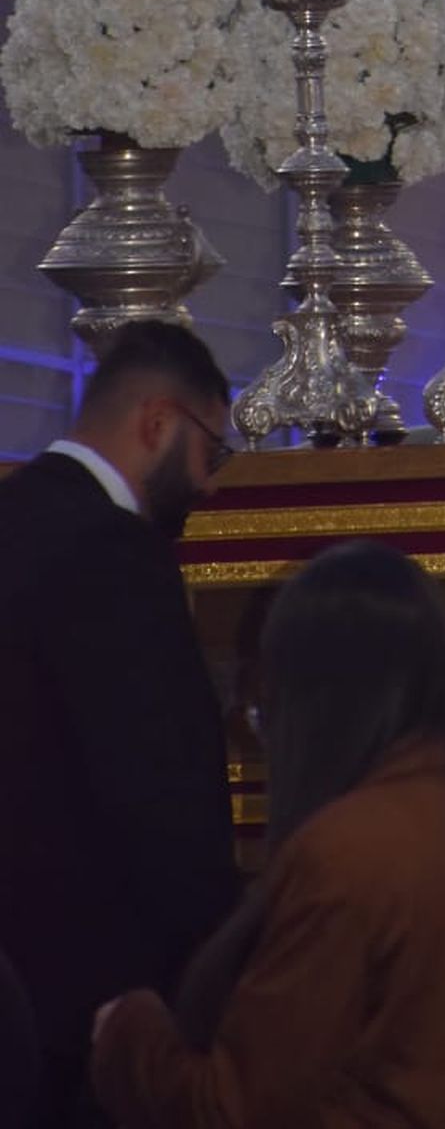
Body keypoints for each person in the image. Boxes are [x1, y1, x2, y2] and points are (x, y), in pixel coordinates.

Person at [91, 539, 445, 1129]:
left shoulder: (348, 851)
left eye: (264, 711)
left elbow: (233, 1110)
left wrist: (126, 1029)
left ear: (313, 703)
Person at [0, 316, 240, 1128]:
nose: (211, 483)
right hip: (99, 1015)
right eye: (216, 450)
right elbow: (166, 799)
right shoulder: (120, 555)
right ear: (157, 423)